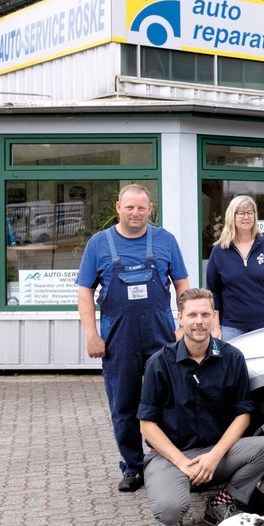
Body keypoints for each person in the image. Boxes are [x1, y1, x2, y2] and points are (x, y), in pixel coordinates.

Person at [137, 288, 264, 526]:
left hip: (217, 453)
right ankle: (178, 488)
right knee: (169, 516)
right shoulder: (159, 364)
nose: (199, 322)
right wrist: (183, 463)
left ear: (214, 316)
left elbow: (242, 414)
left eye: (205, 314)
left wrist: (214, 457)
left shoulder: (232, 358)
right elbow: (146, 425)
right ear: (180, 318)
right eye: (192, 315)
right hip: (171, 455)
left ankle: (222, 501)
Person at [78, 184, 189, 493]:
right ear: (118, 207)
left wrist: (182, 325)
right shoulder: (99, 244)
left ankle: (168, 461)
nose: (135, 213)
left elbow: (182, 285)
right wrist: (91, 334)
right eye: (129, 207)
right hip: (118, 341)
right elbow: (84, 292)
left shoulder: (165, 241)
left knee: (168, 402)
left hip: (161, 338)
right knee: (124, 404)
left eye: (141, 208)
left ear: (150, 210)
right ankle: (133, 467)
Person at [205, 195, 264, 341]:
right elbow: (213, 293)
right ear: (232, 216)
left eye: (250, 213)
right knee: (232, 364)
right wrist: (215, 327)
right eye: (241, 213)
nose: (246, 217)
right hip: (232, 326)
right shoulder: (219, 251)